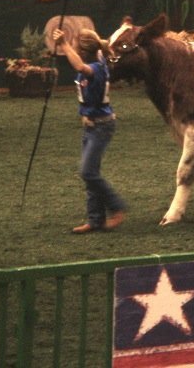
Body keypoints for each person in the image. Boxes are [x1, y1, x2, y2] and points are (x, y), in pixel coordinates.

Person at [52, 27, 126, 234]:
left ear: (83, 50)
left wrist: (63, 44)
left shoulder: (96, 67)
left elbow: (78, 65)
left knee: (88, 172)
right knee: (90, 174)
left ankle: (116, 207)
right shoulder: (98, 60)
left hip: (102, 126)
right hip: (92, 124)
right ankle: (95, 220)